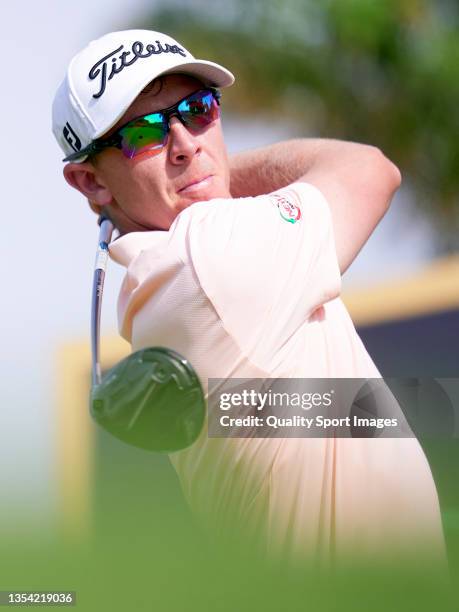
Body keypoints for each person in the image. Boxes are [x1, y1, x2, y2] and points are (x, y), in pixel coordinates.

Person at [52, 29, 446, 567]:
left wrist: (200, 177)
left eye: (198, 108)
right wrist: (214, 174)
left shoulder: (161, 271)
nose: (185, 142)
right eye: (143, 132)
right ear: (91, 183)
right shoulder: (207, 255)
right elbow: (372, 170)